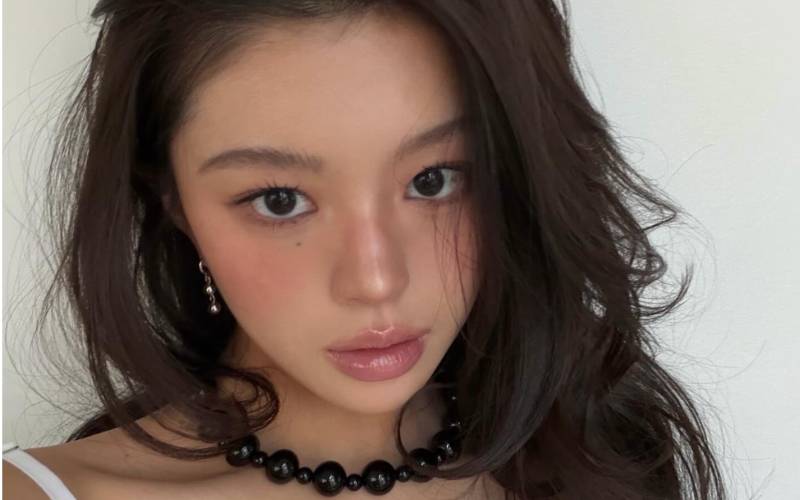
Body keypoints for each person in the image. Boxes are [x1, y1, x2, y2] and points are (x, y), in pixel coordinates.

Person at [3, 1, 729, 499]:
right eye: (279, 199)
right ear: (175, 205)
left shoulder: (601, 464)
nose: (376, 279)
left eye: (434, 180)